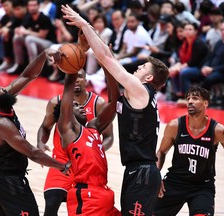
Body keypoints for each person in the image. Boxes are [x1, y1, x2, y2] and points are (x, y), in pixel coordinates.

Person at [61, 5, 169, 215]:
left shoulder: (140, 90)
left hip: (142, 172)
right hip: (139, 171)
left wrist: (84, 23)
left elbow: (107, 59)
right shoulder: (140, 94)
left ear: (149, 78)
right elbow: (110, 62)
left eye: (142, 68)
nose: (137, 68)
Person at [0, 49, 69, 216]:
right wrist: (63, 167)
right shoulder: (1, 123)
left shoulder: (2, 103)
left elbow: (27, 76)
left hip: (1, 180)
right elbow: (33, 153)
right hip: (8, 183)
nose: (4, 89)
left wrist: (44, 54)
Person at [154, 86, 224, 216]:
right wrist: (156, 176)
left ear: (205, 104)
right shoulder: (175, 126)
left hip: (202, 187)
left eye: (195, 98)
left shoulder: (218, 131)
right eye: (188, 99)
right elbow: (161, 152)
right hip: (175, 182)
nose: (190, 101)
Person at [37, 68, 114, 216]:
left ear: (86, 80)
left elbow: (109, 137)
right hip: (61, 162)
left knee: (84, 208)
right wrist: (40, 143)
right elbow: (45, 127)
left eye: (80, 77)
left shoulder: (98, 103)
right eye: (73, 77)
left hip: (85, 166)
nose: (77, 80)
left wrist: (91, 153)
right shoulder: (56, 102)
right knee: (51, 203)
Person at [55, 56, 121, 215]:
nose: (81, 106)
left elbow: (114, 102)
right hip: (87, 196)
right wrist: (71, 71)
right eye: (76, 105)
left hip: (104, 193)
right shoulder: (68, 131)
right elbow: (66, 98)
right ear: (68, 112)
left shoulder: (93, 128)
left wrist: (108, 66)